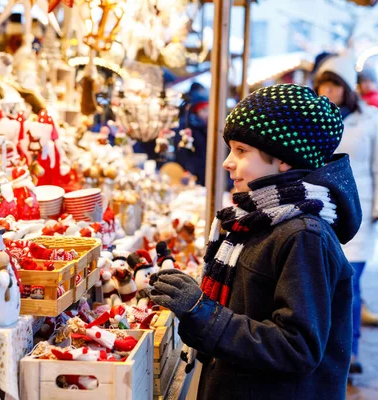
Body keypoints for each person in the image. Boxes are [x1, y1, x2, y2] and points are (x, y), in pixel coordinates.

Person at [149, 84, 362, 399]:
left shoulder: (303, 236)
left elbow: (296, 347)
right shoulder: (258, 220)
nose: (227, 162)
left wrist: (201, 310)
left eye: (241, 150)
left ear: (284, 159)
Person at [314, 54, 378, 373]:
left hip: (357, 212)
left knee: (349, 283)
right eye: (324, 84)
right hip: (319, 208)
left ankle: (348, 352)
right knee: (320, 282)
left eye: (335, 85)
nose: (328, 91)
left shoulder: (372, 119)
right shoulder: (313, 118)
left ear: (348, 88)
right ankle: (322, 348)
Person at [175, 93, 209, 185]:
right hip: (192, 172)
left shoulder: (205, 125)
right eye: (204, 110)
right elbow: (183, 151)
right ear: (196, 110)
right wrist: (188, 169)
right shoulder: (187, 126)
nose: (207, 113)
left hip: (204, 169)